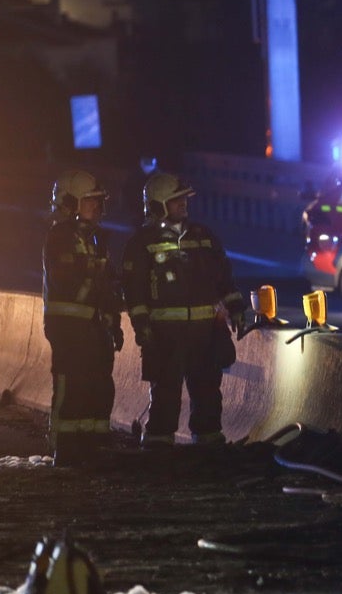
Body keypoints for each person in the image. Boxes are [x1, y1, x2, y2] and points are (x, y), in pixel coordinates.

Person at [120, 172, 247, 447]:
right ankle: (158, 451)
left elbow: (224, 277)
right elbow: (134, 291)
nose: (184, 204)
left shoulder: (204, 235)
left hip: (205, 334)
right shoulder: (142, 242)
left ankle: (208, 449)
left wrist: (236, 307)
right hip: (165, 336)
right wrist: (141, 327)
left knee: (208, 394)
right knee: (165, 395)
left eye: (184, 199)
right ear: (158, 204)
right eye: (176, 200)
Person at [43, 170, 124, 467]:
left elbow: (106, 286)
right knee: (72, 385)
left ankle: (92, 444)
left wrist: (114, 321)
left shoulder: (96, 238)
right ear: (70, 202)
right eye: (90, 200)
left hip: (94, 326)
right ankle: (65, 447)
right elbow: (70, 278)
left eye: (99, 201)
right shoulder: (59, 237)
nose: (98, 206)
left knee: (99, 385)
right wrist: (99, 270)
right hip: (68, 327)